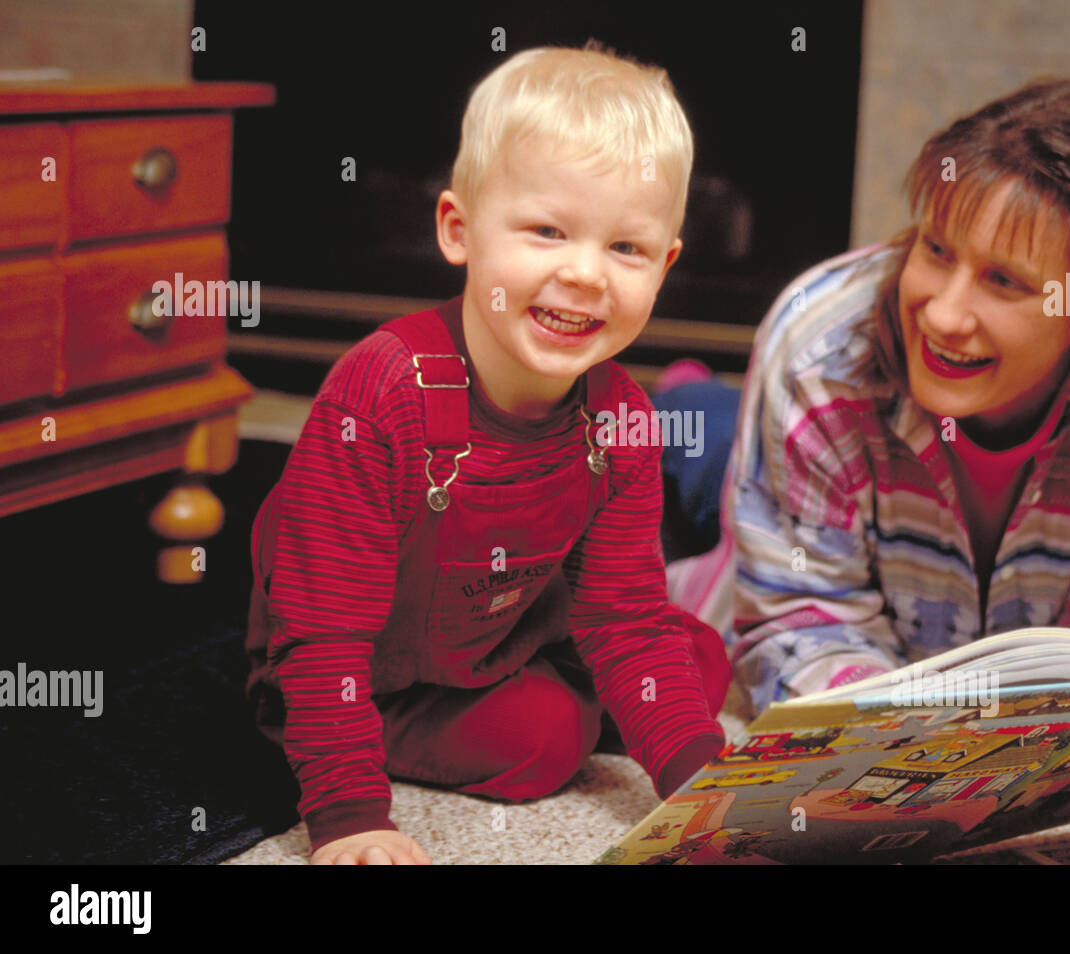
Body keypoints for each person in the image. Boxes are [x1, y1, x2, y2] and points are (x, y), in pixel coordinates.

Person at [662, 79, 1070, 798]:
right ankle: (687, 395)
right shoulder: (816, 349)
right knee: (683, 451)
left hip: (848, 486)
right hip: (800, 456)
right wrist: (902, 742)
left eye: (1003, 281)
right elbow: (799, 626)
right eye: (935, 249)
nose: (943, 315)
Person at [245, 43, 730, 865]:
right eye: (546, 231)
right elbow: (323, 632)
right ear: (458, 231)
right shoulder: (382, 392)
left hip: (508, 627)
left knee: (692, 658)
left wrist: (708, 787)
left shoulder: (626, 421)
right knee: (545, 740)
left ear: (666, 266)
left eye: (627, 249)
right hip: (366, 668)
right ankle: (548, 700)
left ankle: (588, 691)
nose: (583, 274)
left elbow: (625, 617)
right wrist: (350, 815)